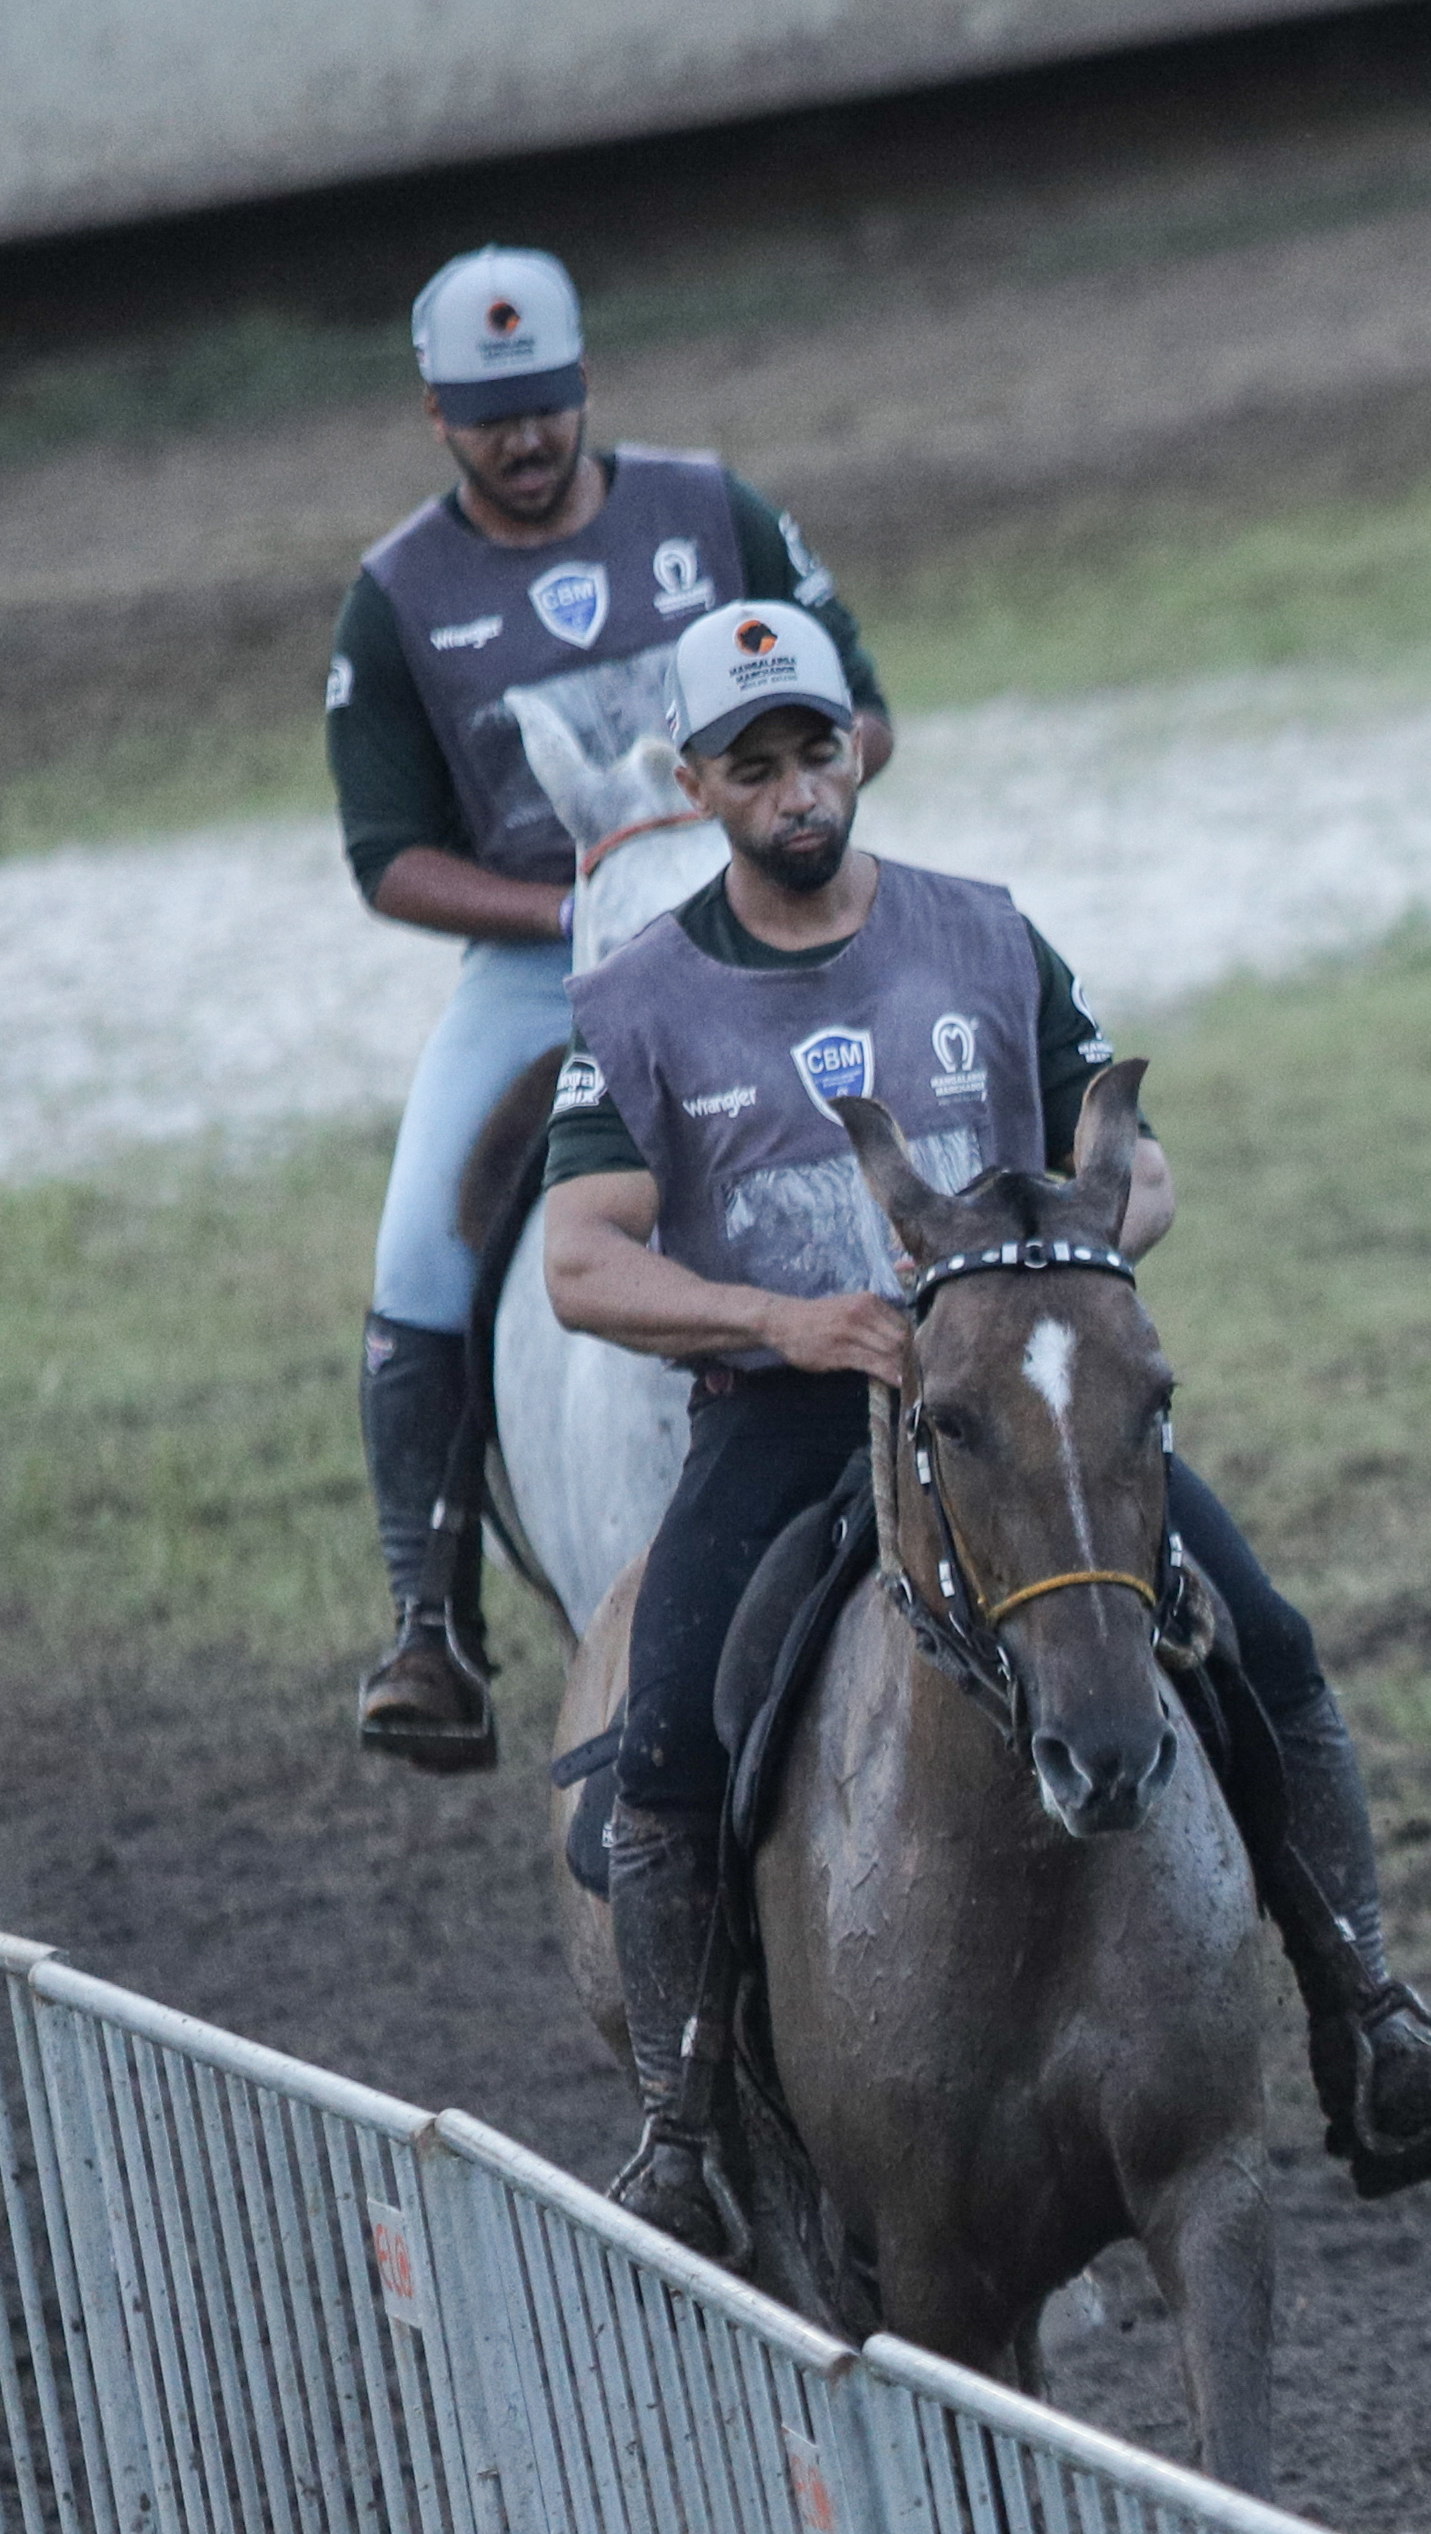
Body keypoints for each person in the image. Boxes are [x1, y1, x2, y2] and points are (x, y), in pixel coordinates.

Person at [540, 604, 1431, 2254]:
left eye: (817, 752)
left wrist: (1032, 1280)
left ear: (858, 751)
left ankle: (1369, 2011)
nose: (795, 791)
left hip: (1019, 1415)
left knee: (1266, 1641)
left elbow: (1144, 1173)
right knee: (670, 1737)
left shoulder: (985, 937)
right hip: (785, 1414)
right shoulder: (637, 1000)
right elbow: (580, 1260)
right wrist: (788, 1321)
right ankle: (685, 2129)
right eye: (754, 768)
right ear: (696, 788)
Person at [327, 243, 891, 1772]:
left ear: (584, 385)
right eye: (488, 414)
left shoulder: (713, 512)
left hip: (768, 909)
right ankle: (432, 1618)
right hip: (547, 955)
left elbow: (866, 714)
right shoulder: (397, 600)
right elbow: (388, 856)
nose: (525, 437)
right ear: (437, 416)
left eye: (545, 403)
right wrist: (575, 910)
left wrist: (772, 830)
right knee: (420, 1246)